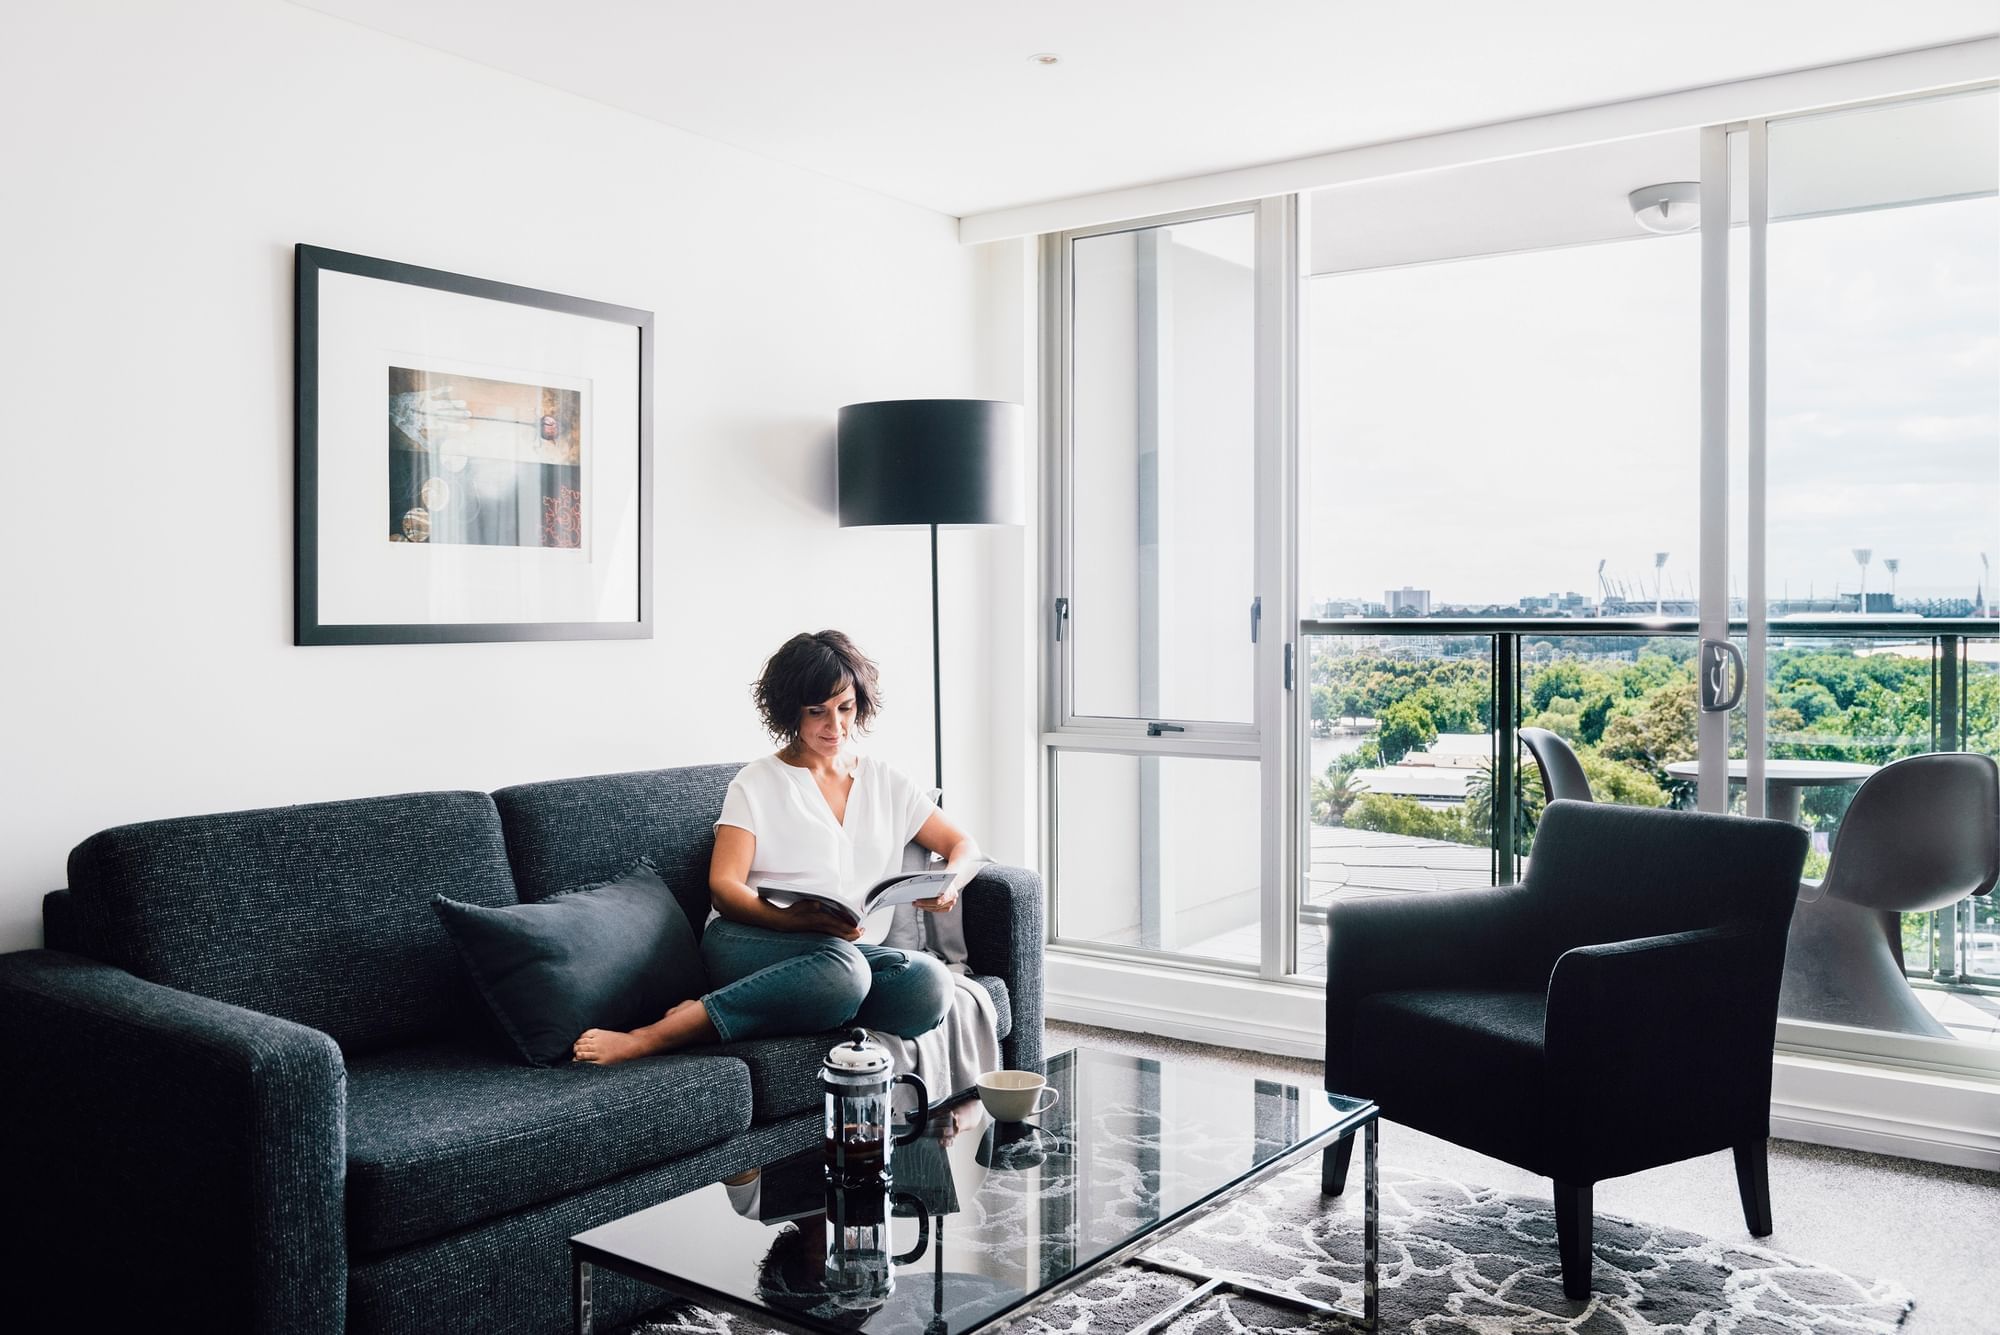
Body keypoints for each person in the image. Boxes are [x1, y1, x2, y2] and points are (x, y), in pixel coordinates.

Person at [574, 630, 984, 1064]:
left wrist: (950, 884)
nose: (835, 726)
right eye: (817, 712)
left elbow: (964, 845)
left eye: (845, 708)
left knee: (929, 985)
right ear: (791, 711)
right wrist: (791, 921)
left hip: (847, 953)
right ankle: (665, 1032)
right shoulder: (757, 783)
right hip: (751, 939)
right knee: (842, 975)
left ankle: (781, 1005)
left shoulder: (886, 781)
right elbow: (724, 887)